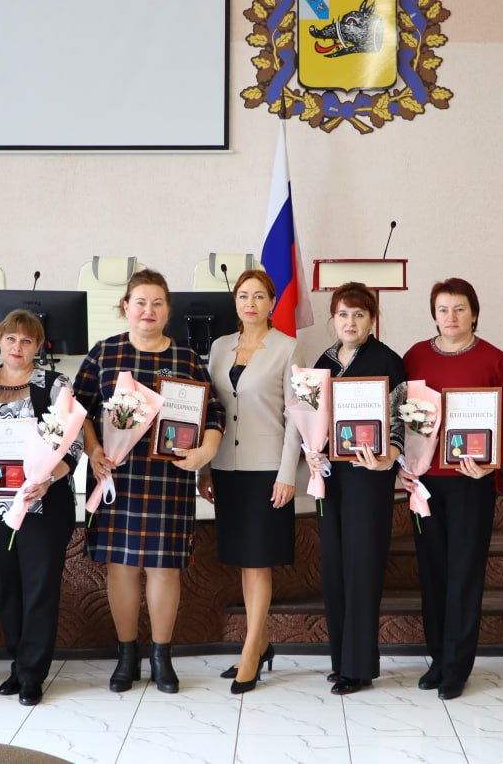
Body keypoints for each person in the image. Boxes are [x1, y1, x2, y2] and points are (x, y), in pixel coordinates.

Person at [74, 269, 224, 694]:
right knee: (121, 567)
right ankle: (127, 655)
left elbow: (212, 415)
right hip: (116, 475)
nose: (148, 311)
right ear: (125, 306)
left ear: (168, 311)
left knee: (163, 568)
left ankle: (161, 656)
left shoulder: (187, 359)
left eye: (157, 303)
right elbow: (79, 411)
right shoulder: (105, 353)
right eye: (140, 302)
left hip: (167, 478)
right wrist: (93, 450)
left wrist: (205, 453)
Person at [399, 278, 503, 701]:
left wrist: (490, 461)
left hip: (471, 484)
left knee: (464, 573)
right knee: (432, 572)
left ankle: (457, 666)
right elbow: (400, 417)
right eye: (443, 309)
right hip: (425, 483)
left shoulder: (494, 360)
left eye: (460, 309)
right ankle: (438, 658)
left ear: (474, 313)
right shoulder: (413, 357)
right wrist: (402, 464)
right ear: (434, 314)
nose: (451, 317)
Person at [0, 310, 81, 706]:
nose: (18, 348)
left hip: (43, 505)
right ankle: (18, 663)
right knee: (7, 588)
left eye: (27, 341)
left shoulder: (53, 384)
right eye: (11, 339)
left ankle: (32, 673)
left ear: (39, 346)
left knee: (39, 588)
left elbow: (75, 445)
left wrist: (50, 476)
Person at [198, 269, 304, 694]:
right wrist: (205, 468)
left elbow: (297, 416)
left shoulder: (288, 348)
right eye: (243, 295)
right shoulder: (220, 347)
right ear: (235, 301)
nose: (250, 303)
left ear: (272, 302)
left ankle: (248, 653)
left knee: (259, 563)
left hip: (266, 470)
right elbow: (209, 410)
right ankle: (260, 644)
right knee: (244, 561)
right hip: (226, 468)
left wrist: (286, 474)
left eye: (259, 296)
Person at [305, 282, 406, 696]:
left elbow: (402, 417)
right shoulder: (323, 361)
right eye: (343, 314)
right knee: (334, 567)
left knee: (362, 567)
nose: (350, 322)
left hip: (369, 476)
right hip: (330, 477)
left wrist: (391, 453)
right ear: (334, 318)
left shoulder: (388, 361)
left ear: (372, 319)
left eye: (359, 315)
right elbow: (308, 418)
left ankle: (359, 667)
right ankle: (340, 659)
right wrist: (310, 450)